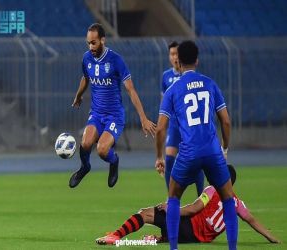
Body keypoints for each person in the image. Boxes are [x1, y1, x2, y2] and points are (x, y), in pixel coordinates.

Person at [155, 40, 237, 250]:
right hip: (212, 151)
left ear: (179, 61)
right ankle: (233, 248)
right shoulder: (210, 84)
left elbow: (161, 128)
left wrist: (159, 156)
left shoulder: (173, 89)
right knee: (228, 198)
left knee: (173, 197)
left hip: (188, 151)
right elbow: (226, 121)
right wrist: (225, 148)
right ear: (197, 60)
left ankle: (173, 247)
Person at [95, 165, 280, 245]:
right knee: (169, 224)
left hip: (188, 228)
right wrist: (272, 238)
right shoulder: (238, 203)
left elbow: (194, 209)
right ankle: (162, 238)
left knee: (146, 214)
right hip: (195, 238)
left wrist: (172, 208)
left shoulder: (212, 190)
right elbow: (252, 220)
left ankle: (115, 236)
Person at [69, 23, 156, 188]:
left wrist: (143, 118)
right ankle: (85, 167)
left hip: (114, 116)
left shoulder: (116, 60)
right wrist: (78, 95)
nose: (90, 46)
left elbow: (130, 90)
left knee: (102, 150)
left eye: (93, 42)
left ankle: (114, 162)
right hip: (96, 113)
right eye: (88, 43)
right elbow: (86, 77)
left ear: (102, 40)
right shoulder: (86, 58)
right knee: (85, 144)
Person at [161, 41, 204, 195]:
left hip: (189, 125)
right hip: (174, 125)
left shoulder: (189, 75)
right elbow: (164, 103)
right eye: (171, 54)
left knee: (197, 161)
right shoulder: (166, 76)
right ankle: (170, 196)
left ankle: (201, 197)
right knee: (169, 159)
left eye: (176, 54)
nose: (174, 57)